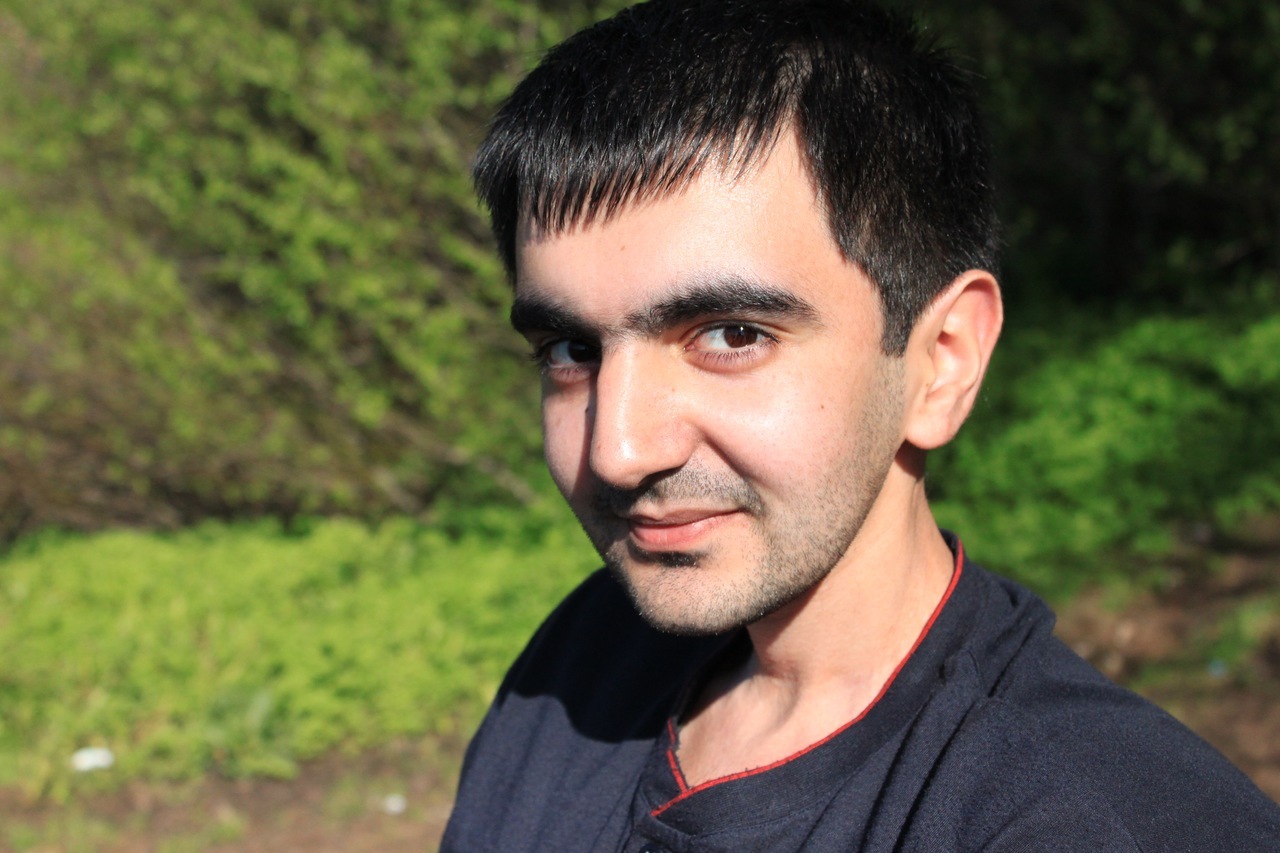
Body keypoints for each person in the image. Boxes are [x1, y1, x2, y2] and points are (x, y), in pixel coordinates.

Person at [442, 0, 1280, 849]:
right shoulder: (586, 664)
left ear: (942, 360)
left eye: (731, 335)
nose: (618, 451)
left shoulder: (1088, 820)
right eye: (571, 349)